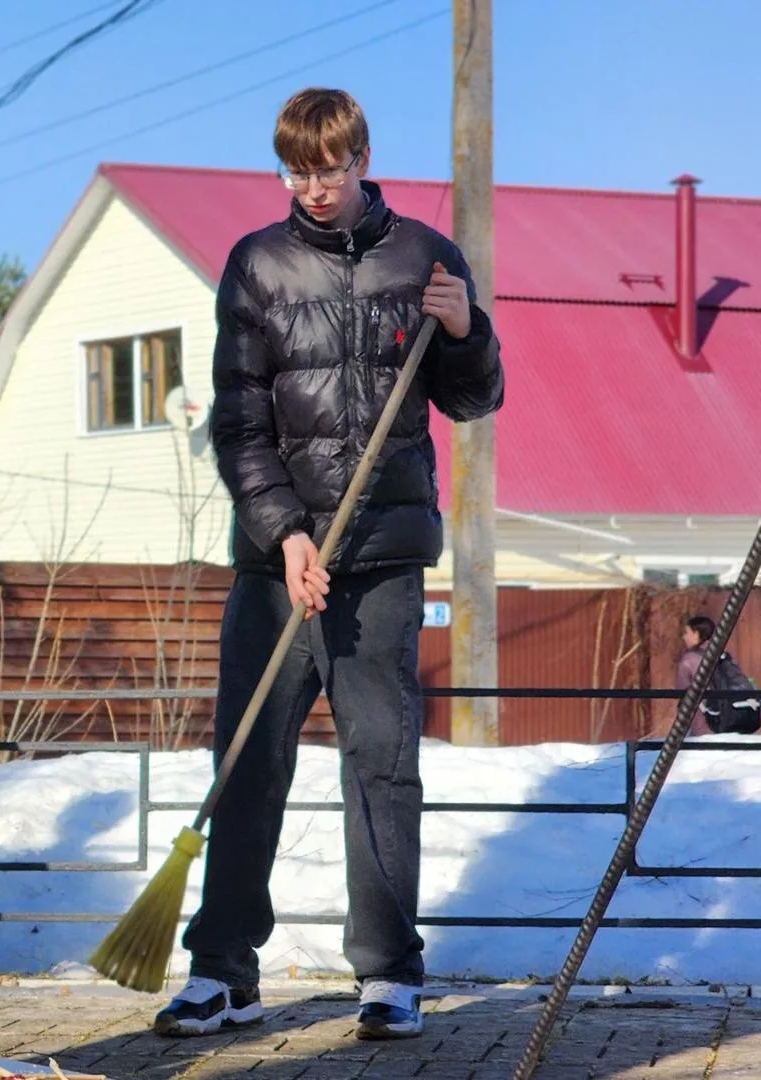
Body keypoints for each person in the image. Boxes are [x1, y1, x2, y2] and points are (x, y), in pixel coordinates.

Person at [153, 88, 504, 1042]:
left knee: (380, 767)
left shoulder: (429, 259)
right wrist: (285, 533)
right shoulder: (257, 266)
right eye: (297, 172)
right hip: (279, 563)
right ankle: (224, 970)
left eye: (330, 169)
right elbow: (238, 421)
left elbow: (474, 401)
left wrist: (466, 329)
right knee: (249, 760)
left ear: (361, 159)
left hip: (383, 555)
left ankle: (390, 973)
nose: (314, 188)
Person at [675, 614, 761, 735]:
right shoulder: (723, 655)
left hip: (707, 727)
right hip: (737, 721)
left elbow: (683, 696)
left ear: (696, 634)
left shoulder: (689, 660)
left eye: (686, 632)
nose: (684, 637)